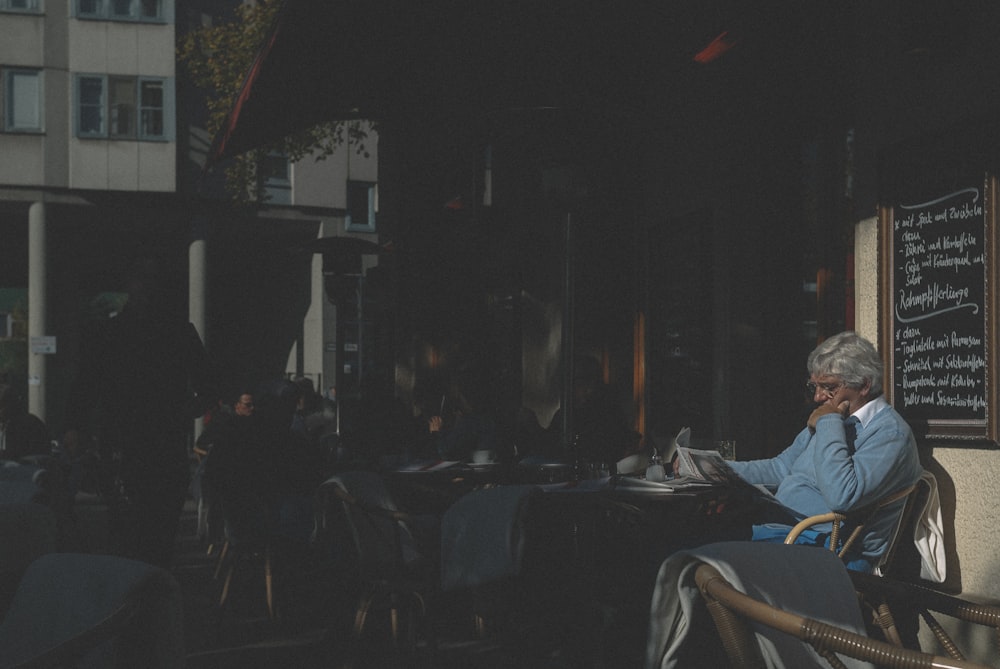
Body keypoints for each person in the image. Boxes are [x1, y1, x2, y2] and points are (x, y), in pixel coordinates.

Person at [62, 255, 218, 568]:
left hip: (145, 447)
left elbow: (211, 386)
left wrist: (186, 409)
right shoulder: (122, 332)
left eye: (152, 280)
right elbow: (85, 388)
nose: (148, 287)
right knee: (138, 539)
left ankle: (140, 601)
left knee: (145, 541)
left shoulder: (155, 332)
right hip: (133, 449)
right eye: (142, 279)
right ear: (130, 284)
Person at [725, 331, 923, 572]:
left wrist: (829, 423)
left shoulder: (890, 435)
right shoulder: (836, 417)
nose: (818, 397)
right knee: (695, 535)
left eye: (829, 387)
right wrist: (714, 468)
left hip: (833, 553)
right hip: (786, 530)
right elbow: (781, 467)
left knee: (707, 554)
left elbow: (842, 496)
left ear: (863, 385)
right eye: (814, 387)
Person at [0, 383, 51, 461]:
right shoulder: (9, 423)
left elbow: (20, 456)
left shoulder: (28, 425)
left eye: (1, 406)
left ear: (11, 405)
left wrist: (4, 455)